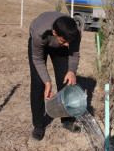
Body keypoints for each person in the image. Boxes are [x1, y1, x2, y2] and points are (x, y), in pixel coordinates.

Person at [28, 12, 81, 140]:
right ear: (55, 32)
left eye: (70, 41)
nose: (68, 44)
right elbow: (37, 59)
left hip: (58, 41)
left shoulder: (74, 32)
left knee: (65, 79)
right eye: (65, 41)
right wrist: (47, 81)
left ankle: (67, 119)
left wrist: (72, 70)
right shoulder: (39, 34)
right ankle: (38, 125)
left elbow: (74, 53)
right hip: (41, 42)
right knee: (38, 82)